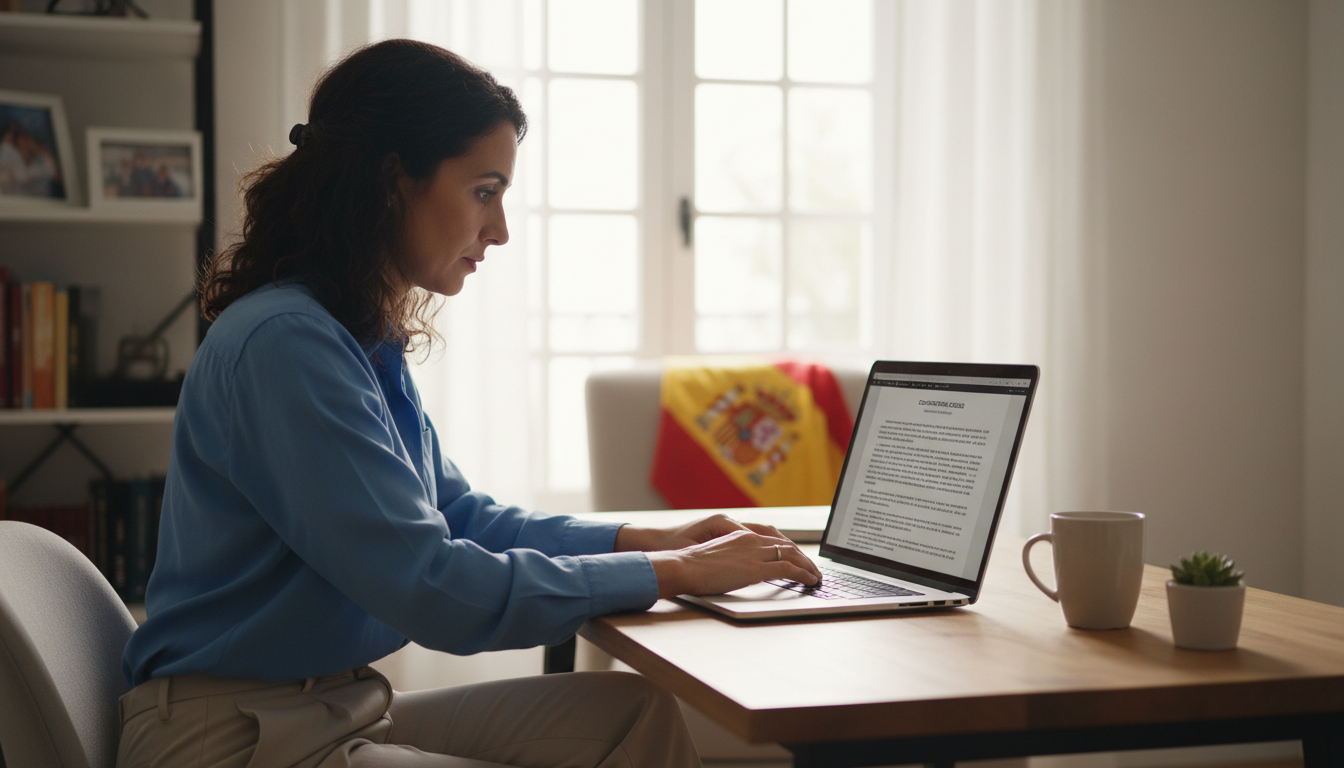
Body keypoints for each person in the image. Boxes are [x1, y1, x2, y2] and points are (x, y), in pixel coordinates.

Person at [116, 39, 820, 768]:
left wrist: (647, 542)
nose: (500, 229)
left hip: (330, 706)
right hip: (233, 737)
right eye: (485, 191)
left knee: (632, 713)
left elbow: (459, 518)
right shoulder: (287, 344)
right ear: (393, 181)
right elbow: (434, 587)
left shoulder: (352, 337)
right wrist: (677, 574)